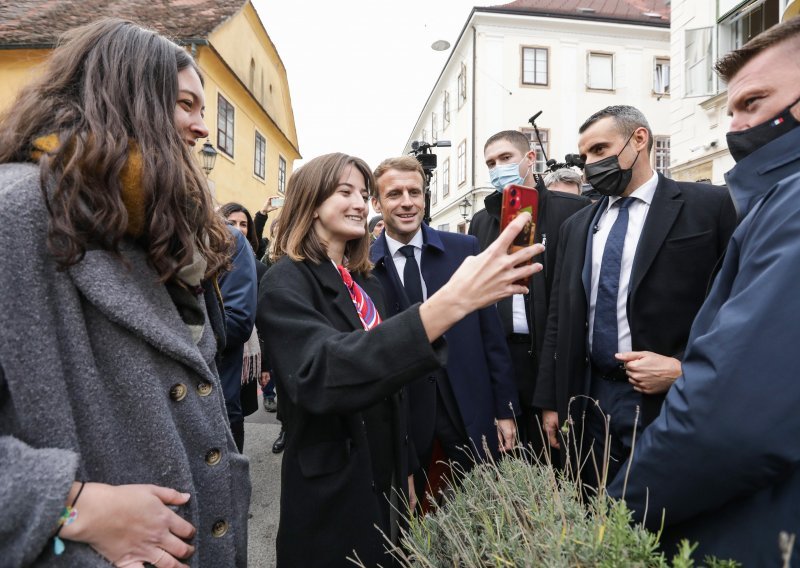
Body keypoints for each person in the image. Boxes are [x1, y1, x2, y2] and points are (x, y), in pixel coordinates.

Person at [0, 18, 250, 567]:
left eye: (204, 111)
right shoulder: (14, 211)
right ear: (127, 98)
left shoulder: (156, 227)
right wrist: (68, 506)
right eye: (186, 105)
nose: (202, 128)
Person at [257, 152, 542, 567]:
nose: (359, 203)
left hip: (385, 474)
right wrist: (449, 303)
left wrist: (405, 467)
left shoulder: (362, 281)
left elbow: (391, 384)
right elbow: (321, 372)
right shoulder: (287, 280)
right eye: (344, 192)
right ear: (311, 203)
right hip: (336, 486)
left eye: (361, 192)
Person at [607, 17, 800, 565]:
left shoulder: (789, 205)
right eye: (731, 110)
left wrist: (614, 518)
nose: (735, 127)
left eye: (755, 102)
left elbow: (736, 416)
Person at [534, 105, 737, 488]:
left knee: (660, 517)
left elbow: (737, 304)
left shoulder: (709, 207)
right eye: (585, 156)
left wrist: (684, 371)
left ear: (639, 139)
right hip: (590, 397)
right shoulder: (577, 227)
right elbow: (560, 317)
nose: (589, 164)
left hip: (667, 398)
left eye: (600, 150)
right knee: (593, 510)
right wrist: (551, 401)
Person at [370, 156, 519, 502]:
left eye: (414, 192)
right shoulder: (363, 266)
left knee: (485, 507)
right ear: (376, 203)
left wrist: (505, 411)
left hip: (469, 402)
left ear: (425, 198)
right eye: (394, 194)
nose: (407, 202)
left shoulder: (463, 251)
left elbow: (491, 337)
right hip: (405, 415)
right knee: (411, 514)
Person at [470, 130, 590, 454]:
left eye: (506, 158)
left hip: (553, 357)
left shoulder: (573, 210)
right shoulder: (481, 223)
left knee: (562, 458)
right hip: (506, 358)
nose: (498, 168)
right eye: (490, 163)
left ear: (530, 158)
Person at [219, 202, 263, 447]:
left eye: (244, 224)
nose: (237, 228)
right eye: (231, 222)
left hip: (235, 358)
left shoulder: (249, 257)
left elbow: (245, 319)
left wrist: (265, 365)